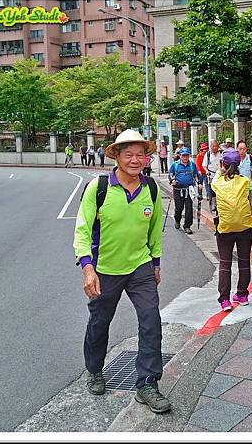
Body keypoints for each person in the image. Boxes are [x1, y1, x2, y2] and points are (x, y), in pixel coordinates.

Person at [73, 128, 171, 414]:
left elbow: (155, 231)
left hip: (140, 266)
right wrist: (87, 269)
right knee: (99, 322)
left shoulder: (150, 189)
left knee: (151, 320)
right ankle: (95, 369)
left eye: (140, 154)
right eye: (128, 154)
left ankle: (147, 383)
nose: (135, 160)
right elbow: (82, 229)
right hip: (105, 269)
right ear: (116, 156)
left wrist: (155, 263)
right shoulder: (99, 188)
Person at [211, 148, 252, 311]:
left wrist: (220, 170)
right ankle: (242, 295)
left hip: (225, 228)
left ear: (223, 163)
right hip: (245, 227)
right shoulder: (245, 181)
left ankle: (225, 300)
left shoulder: (217, 182)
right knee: (244, 261)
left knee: (225, 263)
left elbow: (215, 182)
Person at [168, 147, 200, 235]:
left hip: (189, 190)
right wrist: (172, 181)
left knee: (189, 208)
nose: (185, 157)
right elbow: (170, 175)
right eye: (183, 156)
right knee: (179, 208)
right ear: (180, 156)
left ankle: (187, 226)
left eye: (187, 155)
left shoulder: (192, 165)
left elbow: (196, 175)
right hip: (178, 190)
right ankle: (177, 220)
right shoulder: (175, 165)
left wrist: (200, 183)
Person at [202, 139, 222, 212]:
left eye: (216, 146)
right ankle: (214, 205)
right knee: (212, 191)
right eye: (213, 146)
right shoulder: (208, 155)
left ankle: (219, 204)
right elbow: (204, 165)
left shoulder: (222, 154)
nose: (214, 148)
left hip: (220, 175)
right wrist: (207, 171)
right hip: (211, 175)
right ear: (210, 147)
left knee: (219, 190)